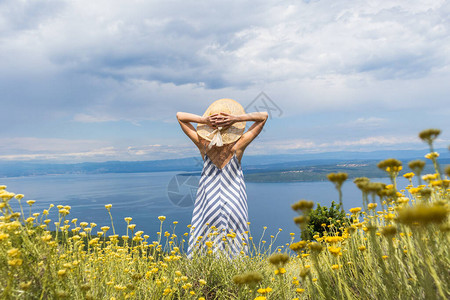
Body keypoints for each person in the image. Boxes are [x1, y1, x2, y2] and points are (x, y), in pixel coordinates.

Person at [176, 98, 268, 258]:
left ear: (209, 126)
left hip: (209, 204)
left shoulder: (203, 145)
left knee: (205, 246)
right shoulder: (237, 147)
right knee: (236, 247)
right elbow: (263, 116)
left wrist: (203, 120)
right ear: (231, 127)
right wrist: (236, 118)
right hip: (234, 204)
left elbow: (180, 116)